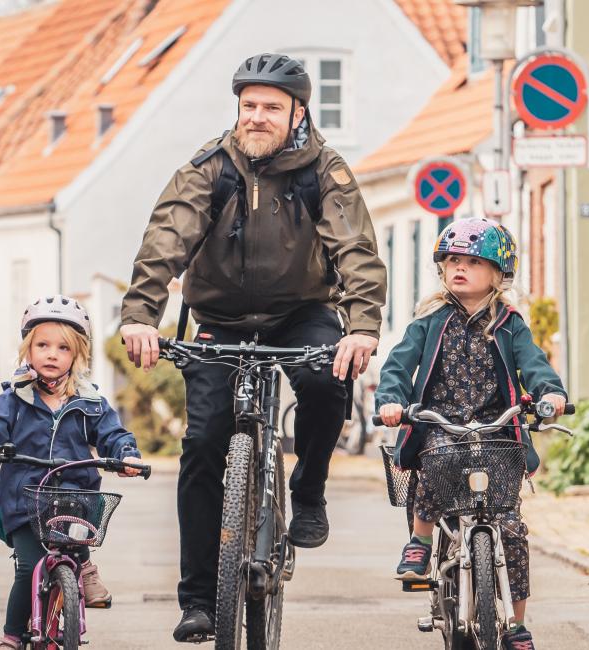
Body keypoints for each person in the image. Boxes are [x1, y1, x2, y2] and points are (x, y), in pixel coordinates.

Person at [117, 52, 387, 642]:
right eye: (249, 107)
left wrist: (363, 325)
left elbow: (357, 252)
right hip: (221, 317)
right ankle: (198, 599)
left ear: (298, 112)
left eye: (271, 107)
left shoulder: (325, 171)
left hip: (302, 311)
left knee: (324, 377)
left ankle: (308, 486)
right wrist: (141, 315)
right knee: (203, 443)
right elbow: (166, 238)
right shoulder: (208, 169)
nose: (257, 117)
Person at [374, 217, 567, 650]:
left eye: (473, 262)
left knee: (510, 526)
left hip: (498, 432)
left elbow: (534, 365)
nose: (459, 268)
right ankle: (421, 542)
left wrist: (549, 394)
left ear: (498, 274)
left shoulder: (510, 324)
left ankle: (516, 624)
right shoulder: (429, 321)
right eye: (452, 260)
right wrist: (391, 400)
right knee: (435, 463)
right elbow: (398, 367)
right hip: (442, 425)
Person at [0, 296, 144, 650]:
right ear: (27, 350)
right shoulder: (13, 400)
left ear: (77, 356)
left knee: (77, 543)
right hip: (24, 502)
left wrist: (126, 455)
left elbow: (113, 434)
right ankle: (13, 636)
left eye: (62, 348)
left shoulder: (90, 403)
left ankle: (83, 568)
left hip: (75, 500)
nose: (51, 354)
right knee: (28, 566)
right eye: (42, 345)